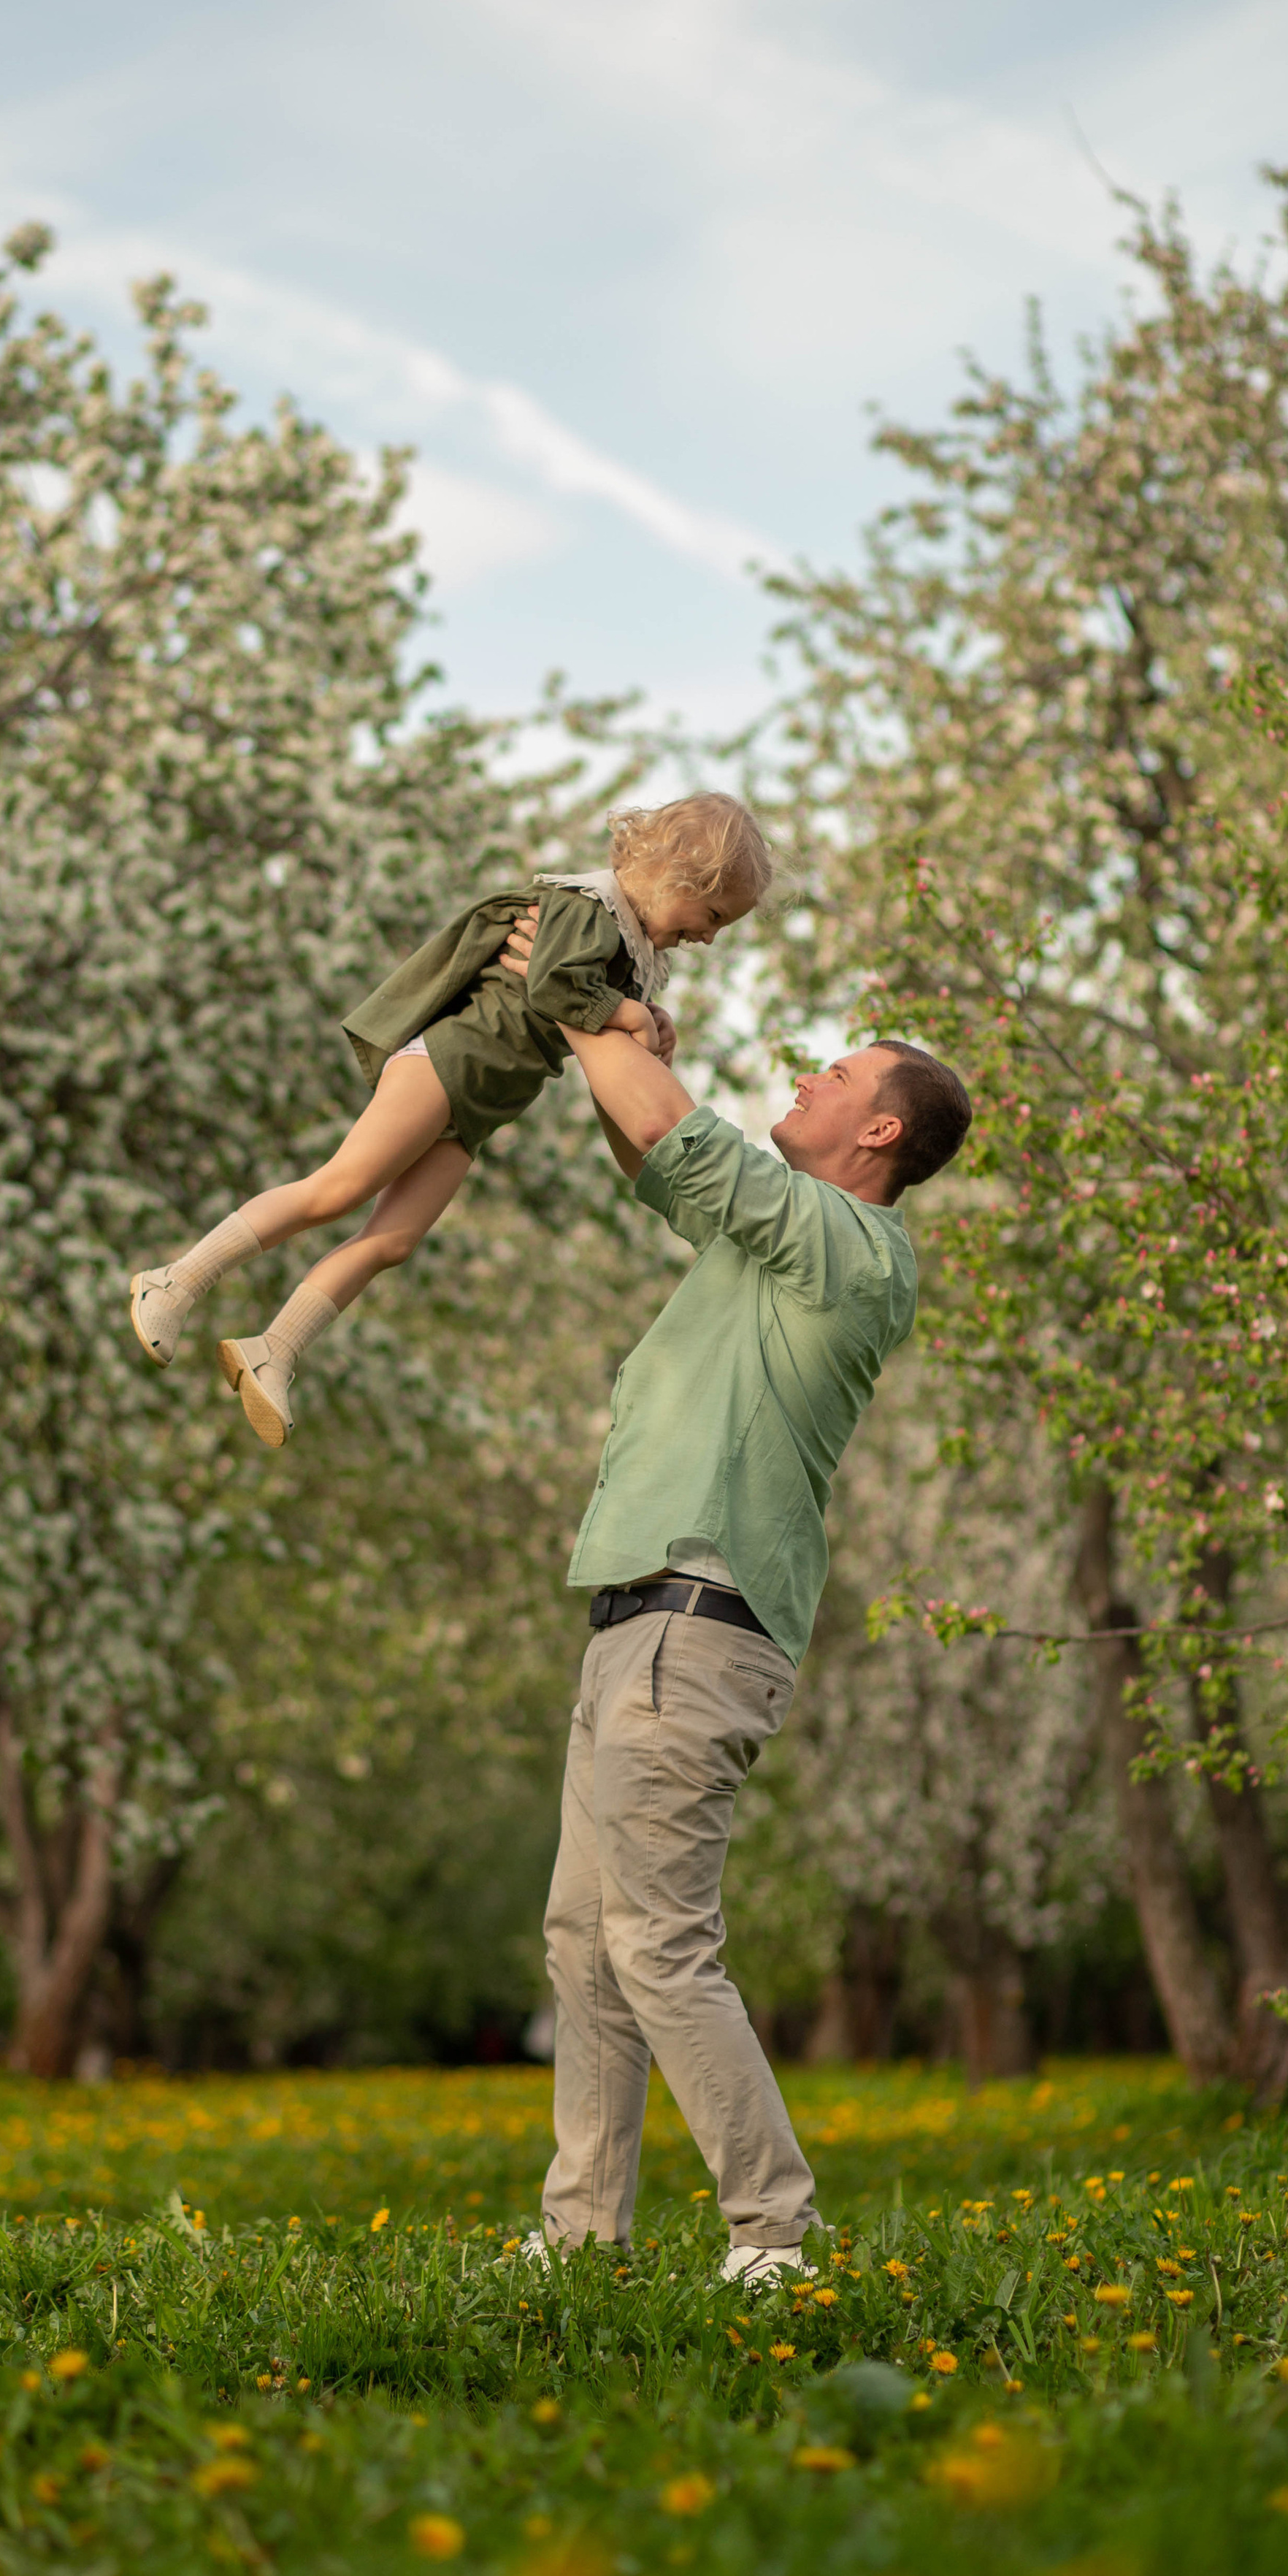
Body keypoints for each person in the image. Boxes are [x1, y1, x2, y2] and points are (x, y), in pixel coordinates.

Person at [515, 955, 970, 2285]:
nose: (802, 1078)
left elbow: (667, 1124)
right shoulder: (769, 1238)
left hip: (696, 1620)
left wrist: (580, 997)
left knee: (657, 1941)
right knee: (584, 1948)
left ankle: (776, 2234)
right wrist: (620, 1037)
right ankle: (582, 2240)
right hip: (634, 1624)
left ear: (878, 1131)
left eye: (830, 1076)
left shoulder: (851, 1246)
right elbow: (650, 1151)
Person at [125, 792, 772, 1448]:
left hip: (478, 1104)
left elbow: (599, 1039)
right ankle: (176, 1282)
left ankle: (273, 1351)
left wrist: (645, 1027)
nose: (710, 937)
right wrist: (630, 1015)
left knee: (393, 1242)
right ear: (677, 871)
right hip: (446, 1062)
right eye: (713, 914)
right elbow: (552, 987)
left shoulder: (631, 952)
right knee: (340, 1187)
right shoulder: (588, 908)